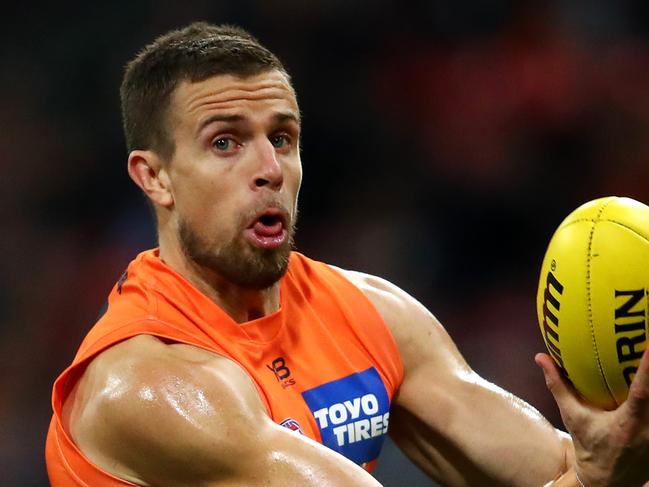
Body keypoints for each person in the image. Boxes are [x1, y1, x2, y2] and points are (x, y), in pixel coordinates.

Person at [45, 22, 649, 487]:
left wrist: (617, 455)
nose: (268, 170)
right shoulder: (145, 388)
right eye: (225, 142)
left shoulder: (370, 313)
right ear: (155, 178)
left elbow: (557, 464)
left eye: (282, 138)